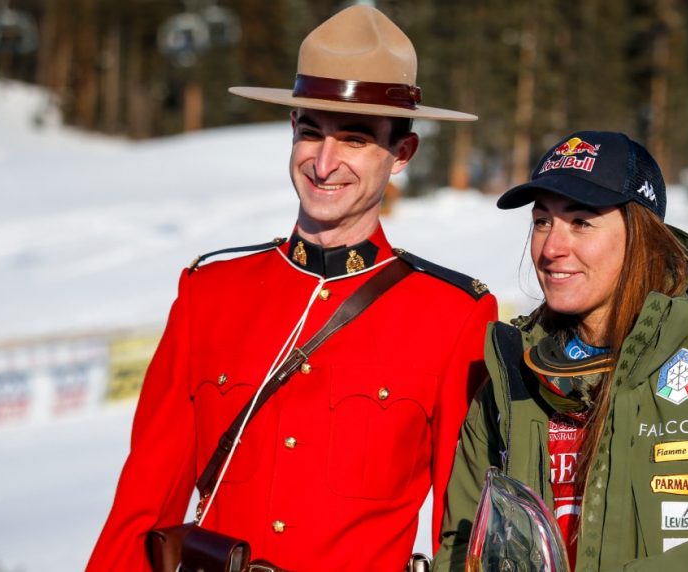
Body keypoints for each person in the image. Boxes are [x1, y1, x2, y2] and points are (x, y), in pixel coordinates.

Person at [88, 6, 496, 571]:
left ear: (402, 154)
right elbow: (143, 503)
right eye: (311, 132)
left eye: (354, 139)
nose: (324, 163)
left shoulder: (452, 316)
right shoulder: (209, 293)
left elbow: (465, 525)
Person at [434, 132, 688, 571]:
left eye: (581, 222)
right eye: (542, 221)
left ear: (641, 234)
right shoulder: (512, 377)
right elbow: (464, 542)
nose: (552, 248)